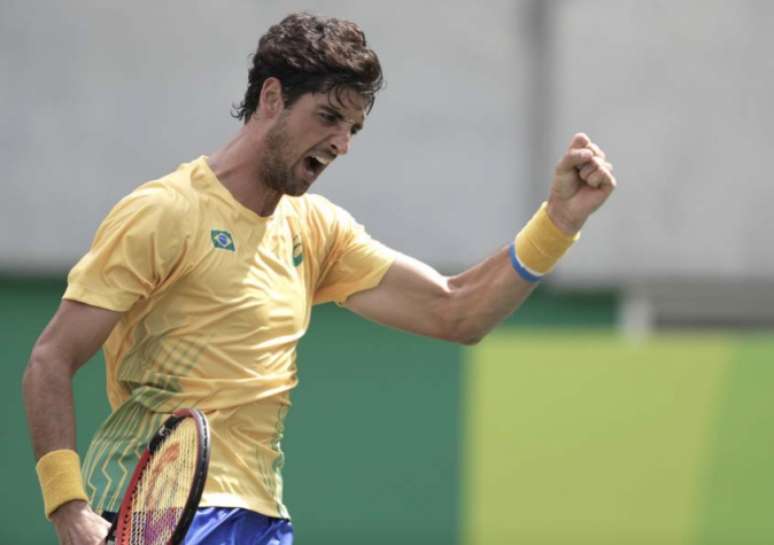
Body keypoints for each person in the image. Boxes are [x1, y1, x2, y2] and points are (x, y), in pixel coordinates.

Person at [22, 12, 616, 545]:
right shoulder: (163, 213)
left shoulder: (316, 230)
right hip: (164, 514)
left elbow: (457, 311)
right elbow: (50, 359)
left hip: (265, 521)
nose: (341, 143)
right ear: (273, 98)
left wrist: (558, 221)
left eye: (352, 128)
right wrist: (69, 507)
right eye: (329, 117)